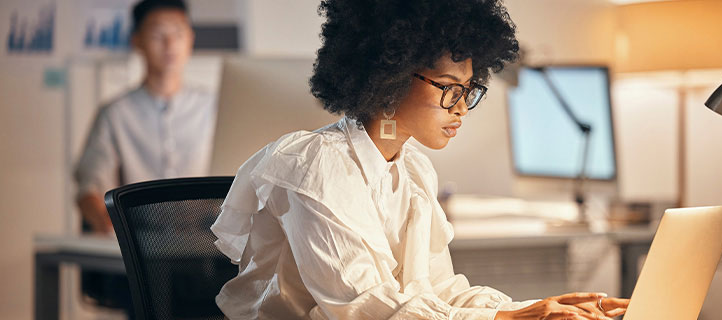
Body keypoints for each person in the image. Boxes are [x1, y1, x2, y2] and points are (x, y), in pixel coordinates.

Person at [211, 0, 629, 319]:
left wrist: (538, 307)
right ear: (388, 77)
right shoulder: (316, 166)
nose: (461, 107)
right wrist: (506, 317)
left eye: (469, 89)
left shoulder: (411, 170)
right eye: (448, 87)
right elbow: (365, 306)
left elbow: (437, 292)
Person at [73, 0, 215, 314]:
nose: (169, 44)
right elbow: (89, 190)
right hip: (140, 258)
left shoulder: (216, 109)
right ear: (136, 41)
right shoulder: (116, 113)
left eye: (177, 33)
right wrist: (112, 230)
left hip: (208, 254)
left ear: (190, 38)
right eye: (157, 34)